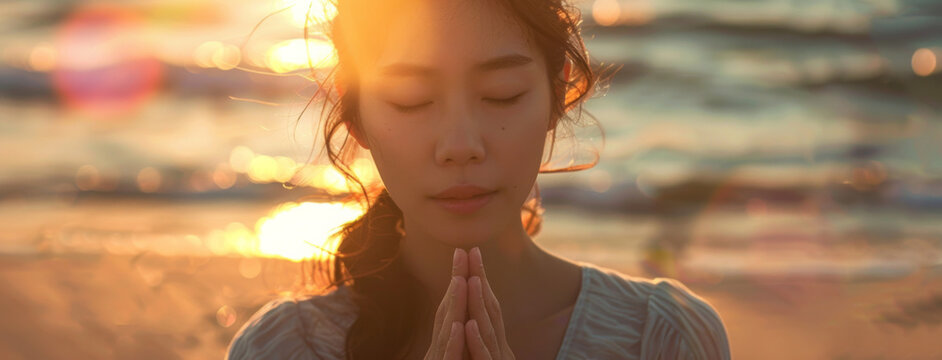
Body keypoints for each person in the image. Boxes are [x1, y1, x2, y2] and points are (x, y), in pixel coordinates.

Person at [227, 0, 730, 358]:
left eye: (501, 93)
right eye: (412, 99)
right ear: (357, 114)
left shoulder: (661, 338)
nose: (460, 145)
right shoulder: (285, 348)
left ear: (557, 95)